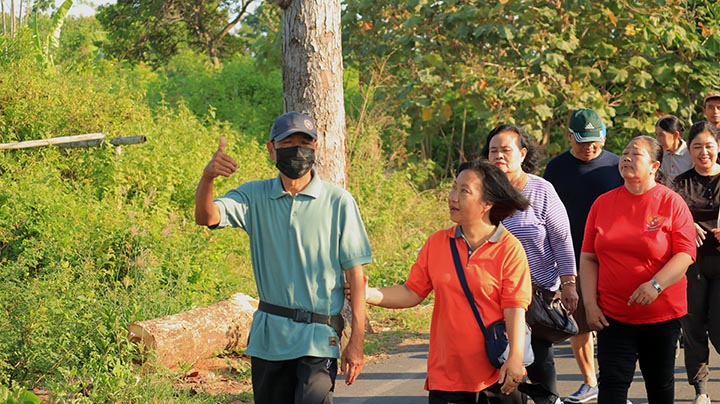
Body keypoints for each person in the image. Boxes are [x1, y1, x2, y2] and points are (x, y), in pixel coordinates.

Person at [194, 111, 372, 404]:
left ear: (316, 148)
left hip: (319, 336)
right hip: (269, 338)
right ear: (271, 149)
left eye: (305, 142)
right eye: (288, 142)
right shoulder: (254, 196)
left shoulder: (338, 202)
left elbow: (356, 276)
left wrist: (357, 342)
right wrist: (208, 177)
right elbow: (207, 216)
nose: (297, 149)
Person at [360, 159, 532, 404]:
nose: (453, 197)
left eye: (464, 191)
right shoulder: (438, 243)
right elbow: (412, 292)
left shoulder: (509, 249)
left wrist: (515, 358)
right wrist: (368, 294)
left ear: (487, 203)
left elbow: (514, 308)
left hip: (496, 377)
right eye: (454, 188)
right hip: (447, 376)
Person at [580, 135, 696, 404]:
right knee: (611, 385)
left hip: (661, 316)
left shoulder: (671, 202)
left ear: (655, 166)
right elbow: (588, 258)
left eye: (636, 154)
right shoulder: (602, 203)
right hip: (612, 315)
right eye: (624, 153)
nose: (627, 158)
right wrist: (590, 304)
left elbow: (685, 254)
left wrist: (656, 285)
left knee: (660, 386)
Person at [481, 124, 577, 404]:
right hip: (492, 293)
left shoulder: (541, 190)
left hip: (535, 294)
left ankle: (550, 399)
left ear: (522, 154)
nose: (499, 156)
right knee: (499, 359)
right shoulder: (483, 192)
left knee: (538, 359)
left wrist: (569, 283)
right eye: (493, 151)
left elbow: (562, 239)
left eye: (506, 150)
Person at [543, 108, 623, 404]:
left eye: (595, 141)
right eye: (583, 141)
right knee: (579, 323)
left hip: (612, 257)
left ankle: (616, 386)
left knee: (613, 323)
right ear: (570, 137)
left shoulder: (615, 165)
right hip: (571, 257)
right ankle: (590, 382)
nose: (590, 147)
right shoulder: (556, 168)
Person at [672, 121, 720, 404]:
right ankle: (700, 389)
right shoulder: (678, 184)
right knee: (692, 329)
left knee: (718, 328)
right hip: (690, 266)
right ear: (688, 150)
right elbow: (668, 218)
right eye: (697, 147)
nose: (704, 153)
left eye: (709, 146)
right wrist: (687, 225)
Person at [656, 114, 692, 183]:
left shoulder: (690, 153)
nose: (657, 139)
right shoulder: (659, 154)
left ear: (675, 135)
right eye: (656, 135)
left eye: (661, 135)